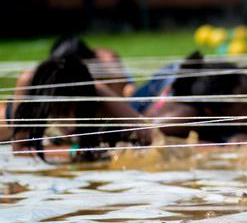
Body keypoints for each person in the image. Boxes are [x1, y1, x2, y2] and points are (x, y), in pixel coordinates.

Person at [9, 55, 149, 163]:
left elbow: (148, 133)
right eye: (62, 110)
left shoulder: (93, 89)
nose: (70, 118)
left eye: (75, 109)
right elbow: (19, 150)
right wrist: (73, 151)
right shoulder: (29, 83)